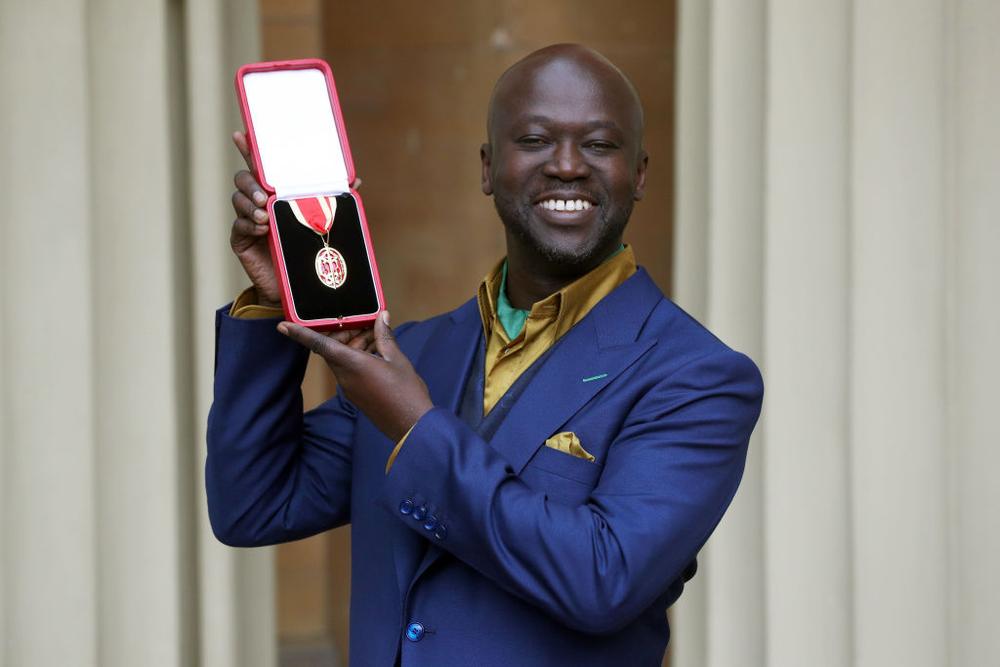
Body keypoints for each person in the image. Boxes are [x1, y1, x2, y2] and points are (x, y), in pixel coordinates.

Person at [208, 43, 763, 666]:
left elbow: (603, 581)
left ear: (638, 174)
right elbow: (254, 507)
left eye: (600, 145)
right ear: (486, 166)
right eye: (534, 139)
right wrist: (267, 302)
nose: (567, 166)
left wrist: (415, 427)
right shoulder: (413, 353)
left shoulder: (698, 377)